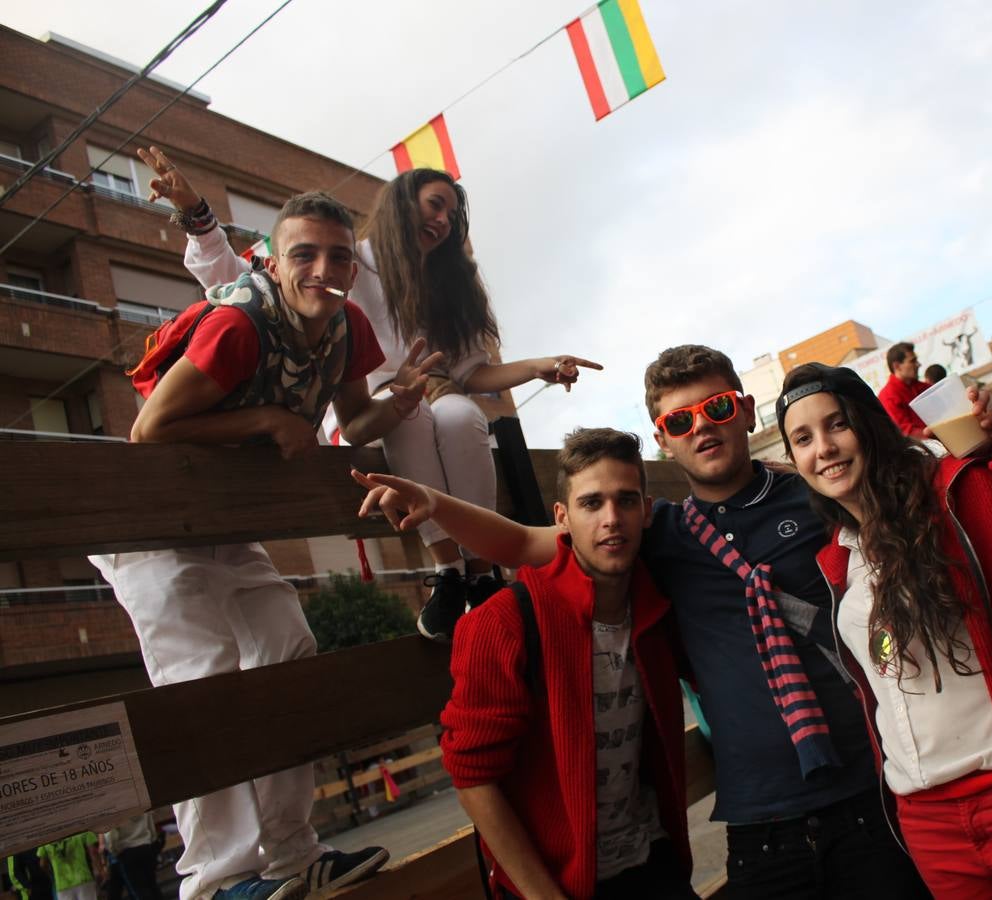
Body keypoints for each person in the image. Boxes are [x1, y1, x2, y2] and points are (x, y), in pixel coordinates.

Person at [353, 344, 992, 898]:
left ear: (744, 410)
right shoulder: (656, 533)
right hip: (759, 823)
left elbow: (914, 496)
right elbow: (526, 545)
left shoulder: (817, 496)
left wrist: (983, 444)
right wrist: (434, 503)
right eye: (681, 419)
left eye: (718, 408)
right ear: (662, 436)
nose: (704, 427)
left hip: (869, 793)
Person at [136, 147, 600, 644]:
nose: (442, 219)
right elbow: (242, 282)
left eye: (451, 211)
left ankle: (480, 575)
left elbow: (468, 372)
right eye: (433, 204)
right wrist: (199, 219)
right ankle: (447, 569)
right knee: (415, 414)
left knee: (461, 415)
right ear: (402, 205)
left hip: (407, 402)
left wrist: (538, 367)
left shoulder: (435, 290)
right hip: (327, 428)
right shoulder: (329, 270)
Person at [89, 192, 406, 900]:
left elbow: (354, 422)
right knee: (204, 680)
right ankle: (217, 881)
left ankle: (294, 854)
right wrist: (263, 416)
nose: (323, 268)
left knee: (288, 651)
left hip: (227, 525)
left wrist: (405, 401)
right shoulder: (238, 326)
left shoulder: (350, 326)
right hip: (153, 527)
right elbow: (151, 430)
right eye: (304, 254)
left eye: (338, 256)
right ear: (274, 258)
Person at [775, 362, 992, 898]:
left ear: (872, 425)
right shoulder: (834, 560)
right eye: (803, 438)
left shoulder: (965, 493)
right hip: (927, 821)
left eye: (837, 424)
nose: (823, 448)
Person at [357, 429, 693, 899]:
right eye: (592, 503)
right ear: (563, 518)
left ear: (647, 509)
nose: (612, 519)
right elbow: (473, 778)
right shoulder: (504, 624)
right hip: (562, 884)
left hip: (654, 866)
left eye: (626, 501)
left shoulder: (657, 603)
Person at [102, 813, 163, 900]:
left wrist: (114, 850)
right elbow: (150, 823)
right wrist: (152, 840)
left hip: (127, 850)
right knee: (152, 885)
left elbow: (111, 834)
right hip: (146, 845)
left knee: (139, 891)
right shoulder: (139, 801)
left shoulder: (114, 806)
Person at [876, 342, 932, 436]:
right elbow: (906, 432)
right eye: (912, 361)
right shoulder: (887, 396)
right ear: (897, 366)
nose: (918, 364)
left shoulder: (925, 387)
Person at [35, 834, 101, 900]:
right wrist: (99, 870)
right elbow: (93, 852)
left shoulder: (46, 838)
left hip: (62, 884)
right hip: (83, 879)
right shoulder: (79, 829)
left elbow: (42, 864)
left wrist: (51, 874)